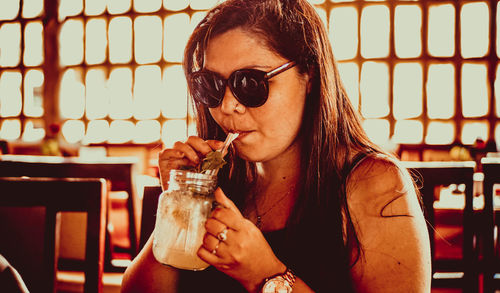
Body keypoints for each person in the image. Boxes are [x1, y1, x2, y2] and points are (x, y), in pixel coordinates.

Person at [121, 0, 431, 292]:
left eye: (251, 83)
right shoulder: (217, 180)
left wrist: (265, 275)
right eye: (211, 84)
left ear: (308, 74)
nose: (228, 106)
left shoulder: (374, 184)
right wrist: (178, 206)